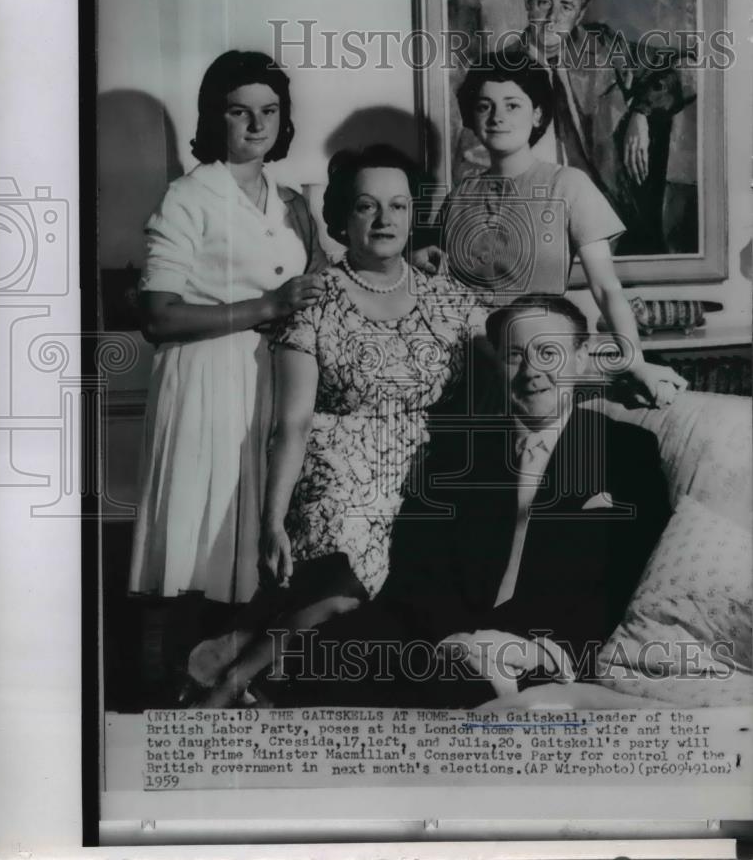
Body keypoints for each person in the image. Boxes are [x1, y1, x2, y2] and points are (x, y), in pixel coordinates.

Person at [185, 144, 480, 705]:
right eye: (367, 206)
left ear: (414, 215)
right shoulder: (314, 302)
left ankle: (239, 650)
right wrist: (273, 521)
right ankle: (235, 681)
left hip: (425, 470)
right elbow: (291, 424)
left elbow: (522, 343)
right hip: (337, 468)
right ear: (343, 218)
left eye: (397, 205)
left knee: (408, 593)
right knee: (349, 582)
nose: (385, 219)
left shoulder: (450, 298)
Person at [276, 295, 672, 708]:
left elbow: (633, 578)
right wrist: (455, 640)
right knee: (319, 654)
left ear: (581, 358)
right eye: (515, 355)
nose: (532, 372)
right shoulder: (458, 452)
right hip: (442, 639)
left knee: (446, 697)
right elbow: (415, 563)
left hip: (542, 650)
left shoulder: (626, 451)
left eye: (549, 353)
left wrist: (549, 650)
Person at [128, 50, 326, 606]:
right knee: (202, 544)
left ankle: (233, 677)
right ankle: (178, 675)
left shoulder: (291, 202)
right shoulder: (189, 197)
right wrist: (267, 305)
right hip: (205, 382)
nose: (258, 124)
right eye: (240, 112)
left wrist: (412, 258)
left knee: (259, 538)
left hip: (274, 381)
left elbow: (321, 282)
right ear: (215, 118)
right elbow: (157, 317)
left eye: (270, 110)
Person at [419, 54, 686, 408]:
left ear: (538, 115)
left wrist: (633, 359)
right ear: (472, 116)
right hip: (465, 364)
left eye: (512, 105)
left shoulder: (567, 185)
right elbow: (437, 290)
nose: (498, 117)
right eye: (485, 106)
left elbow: (606, 288)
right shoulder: (459, 197)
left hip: (536, 360)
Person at [454, 0, 695, 254]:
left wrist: (641, 112)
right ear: (528, 2)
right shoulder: (494, 72)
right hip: (536, 218)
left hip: (612, 212)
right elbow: (470, 165)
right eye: (544, 2)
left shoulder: (604, 48)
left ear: (579, 15)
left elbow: (688, 69)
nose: (552, 17)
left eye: (566, 7)